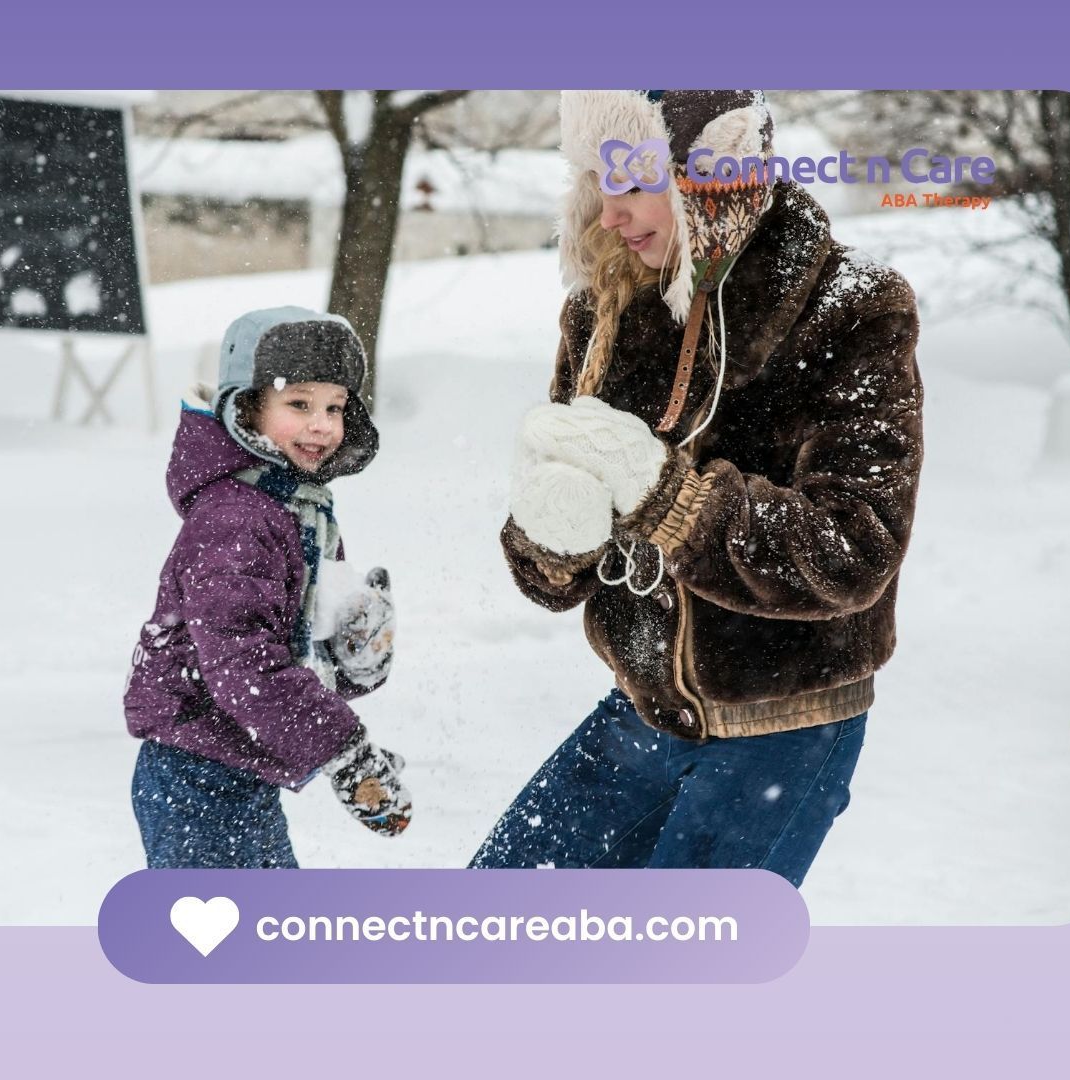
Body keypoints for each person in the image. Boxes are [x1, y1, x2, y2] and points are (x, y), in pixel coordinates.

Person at [471, 91, 924, 884]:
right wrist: (551, 536)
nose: (610, 217)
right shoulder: (606, 305)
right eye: (598, 186)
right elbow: (553, 572)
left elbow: (855, 550)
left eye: (635, 185)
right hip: (644, 711)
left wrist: (669, 500)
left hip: (786, 730)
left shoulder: (849, 309)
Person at [125, 306, 409, 868]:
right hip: (195, 778)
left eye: (335, 407)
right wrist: (344, 749)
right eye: (298, 404)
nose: (322, 425)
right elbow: (243, 666)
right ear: (248, 410)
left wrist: (351, 658)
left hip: (241, 770)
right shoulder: (236, 519)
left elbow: (288, 651)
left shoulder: (300, 509)